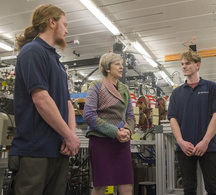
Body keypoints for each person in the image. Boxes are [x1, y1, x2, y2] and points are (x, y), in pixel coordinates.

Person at [8, 4, 81, 195]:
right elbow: (41, 99)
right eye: (64, 24)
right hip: (35, 151)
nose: (67, 30)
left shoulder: (57, 62)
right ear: (51, 22)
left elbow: (68, 104)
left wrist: (71, 135)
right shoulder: (33, 51)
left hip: (58, 149)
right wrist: (68, 135)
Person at [168, 50, 216, 195]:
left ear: (197, 65)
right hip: (185, 148)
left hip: (208, 147)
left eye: (187, 63)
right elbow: (172, 119)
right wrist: (180, 141)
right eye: (182, 64)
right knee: (189, 188)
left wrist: (205, 141)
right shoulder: (177, 93)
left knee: (213, 188)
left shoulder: (211, 88)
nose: (184, 67)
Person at [83, 53, 135, 195]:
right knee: (100, 186)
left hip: (122, 142)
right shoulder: (96, 86)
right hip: (100, 142)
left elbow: (130, 116)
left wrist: (128, 131)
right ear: (107, 68)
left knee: (126, 187)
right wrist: (115, 131)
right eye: (117, 64)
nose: (121, 67)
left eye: (121, 64)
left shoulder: (124, 89)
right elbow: (88, 115)